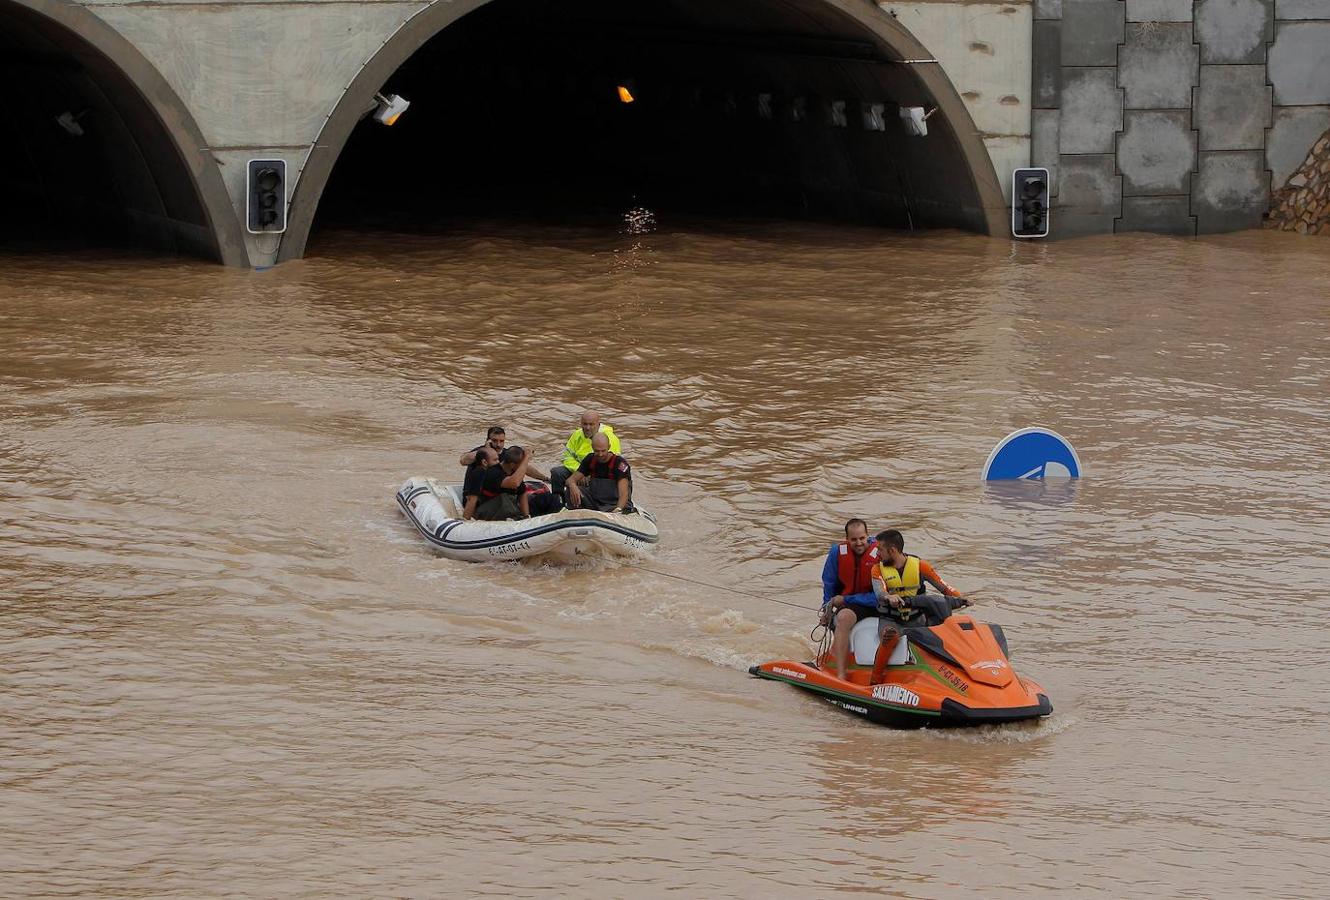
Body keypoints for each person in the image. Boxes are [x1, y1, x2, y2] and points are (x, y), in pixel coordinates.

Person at [869, 529, 970, 684]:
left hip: (917, 619)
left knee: (946, 634)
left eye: (880, 550)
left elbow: (944, 587)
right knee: (890, 636)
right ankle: (875, 680)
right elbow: (879, 592)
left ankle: (957, 675)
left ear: (892, 550)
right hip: (891, 620)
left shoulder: (921, 566)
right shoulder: (877, 570)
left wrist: (960, 598)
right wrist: (889, 597)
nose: (878, 554)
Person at [817, 519, 881, 681]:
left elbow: (881, 595)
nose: (859, 543)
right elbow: (829, 583)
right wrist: (827, 609)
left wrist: (845, 599)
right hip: (850, 606)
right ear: (847, 539)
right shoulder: (836, 553)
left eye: (862, 538)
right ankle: (840, 674)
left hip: (875, 603)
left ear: (868, 536)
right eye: (854, 539)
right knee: (843, 618)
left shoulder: (880, 553)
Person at [550, 411, 620, 497]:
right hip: (579, 471)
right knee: (557, 472)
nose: (587, 428)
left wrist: (586, 474)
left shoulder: (610, 438)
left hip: (598, 475)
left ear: (598, 424)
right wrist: (579, 472)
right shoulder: (577, 434)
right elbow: (567, 457)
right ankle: (558, 501)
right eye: (585, 424)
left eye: (591, 424)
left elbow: (608, 464)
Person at [565, 433, 632, 512]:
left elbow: (623, 494)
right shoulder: (590, 459)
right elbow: (570, 480)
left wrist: (618, 509)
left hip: (613, 504)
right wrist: (573, 486)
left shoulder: (620, 464)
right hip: (595, 502)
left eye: (603, 451)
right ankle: (575, 515)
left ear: (609, 447)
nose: (600, 454)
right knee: (570, 489)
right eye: (597, 451)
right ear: (592, 447)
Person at [460, 426, 551, 483]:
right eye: (495, 441)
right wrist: (486, 451)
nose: (498, 444)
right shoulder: (480, 452)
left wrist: (545, 479)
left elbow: (525, 468)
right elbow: (463, 460)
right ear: (488, 440)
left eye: (501, 441)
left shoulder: (507, 454)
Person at [473, 446, 532, 520]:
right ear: (512, 464)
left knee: (542, 500)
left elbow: (522, 492)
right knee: (504, 498)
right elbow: (514, 483)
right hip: (486, 511)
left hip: (505, 513)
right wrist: (527, 457)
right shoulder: (493, 472)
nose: (524, 467)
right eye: (522, 464)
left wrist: (526, 516)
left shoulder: (513, 473)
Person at [461, 445, 499, 520]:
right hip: (482, 508)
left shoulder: (495, 471)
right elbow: (472, 500)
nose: (498, 462)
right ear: (484, 462)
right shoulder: (479, 473)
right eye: (495, 460)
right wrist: (466, 520)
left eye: (498, 459)